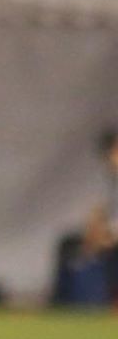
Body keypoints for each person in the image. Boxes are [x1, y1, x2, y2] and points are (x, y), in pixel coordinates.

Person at [51, 130, 118, 307]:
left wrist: (108, 236)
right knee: (74, 243)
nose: (111, 158)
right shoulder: (112, 182)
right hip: (110, 240)